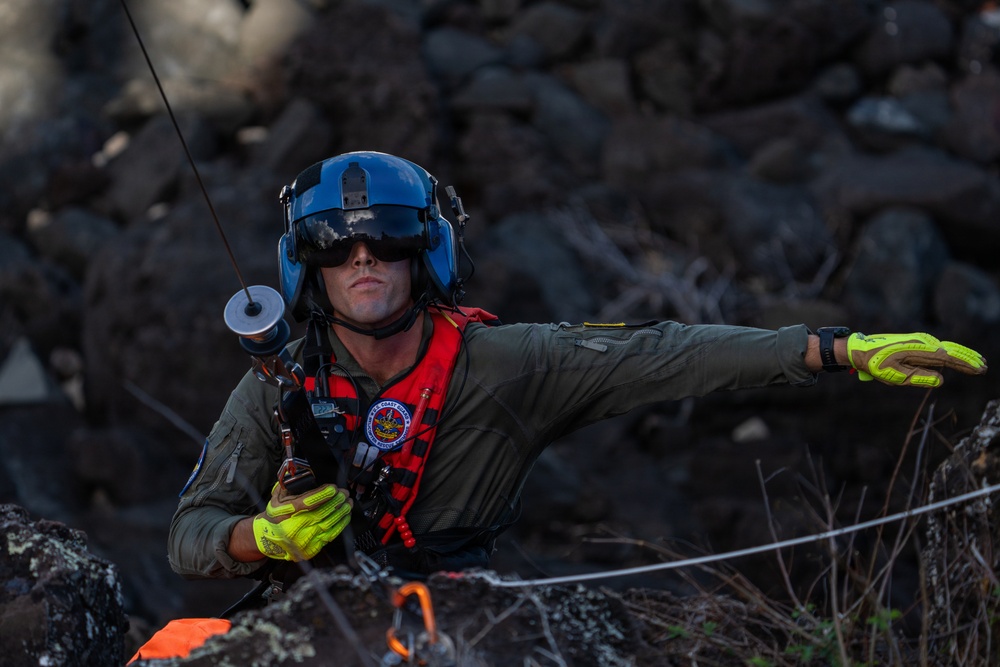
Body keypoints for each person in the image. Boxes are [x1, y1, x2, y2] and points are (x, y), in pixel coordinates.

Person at [166, 150, 988, 598]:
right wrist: (259, 538)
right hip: (308, 612)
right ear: (304, 267)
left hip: (461, 605)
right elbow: (188, 536)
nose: (363, 259)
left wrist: (838, 349)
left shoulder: (509, 362)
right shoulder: (275, 386)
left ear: (429, 252)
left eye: (386, 238)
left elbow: (663, 352)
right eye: (334, 246)